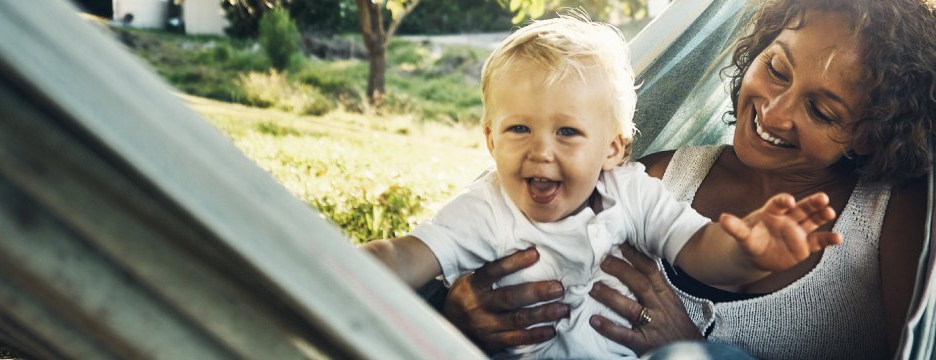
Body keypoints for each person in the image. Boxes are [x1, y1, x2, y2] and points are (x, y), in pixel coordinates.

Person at [438, 0, 936, 358]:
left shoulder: (894, 221)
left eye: (822, 111)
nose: (774, 112)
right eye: (776, 69)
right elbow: (521, 241)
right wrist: (466, 304)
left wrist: (689, 346)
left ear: (870, 135)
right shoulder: (660, 177)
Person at [361, 15, 843, 359]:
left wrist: (748, 253)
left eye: (567, 132)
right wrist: (334, 259)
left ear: (612, 149)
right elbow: (406, 256)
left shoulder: (630, 193)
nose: (541, 151)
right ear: (489, 139)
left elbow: (698, 247)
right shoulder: (486, 208)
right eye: (518, 129)